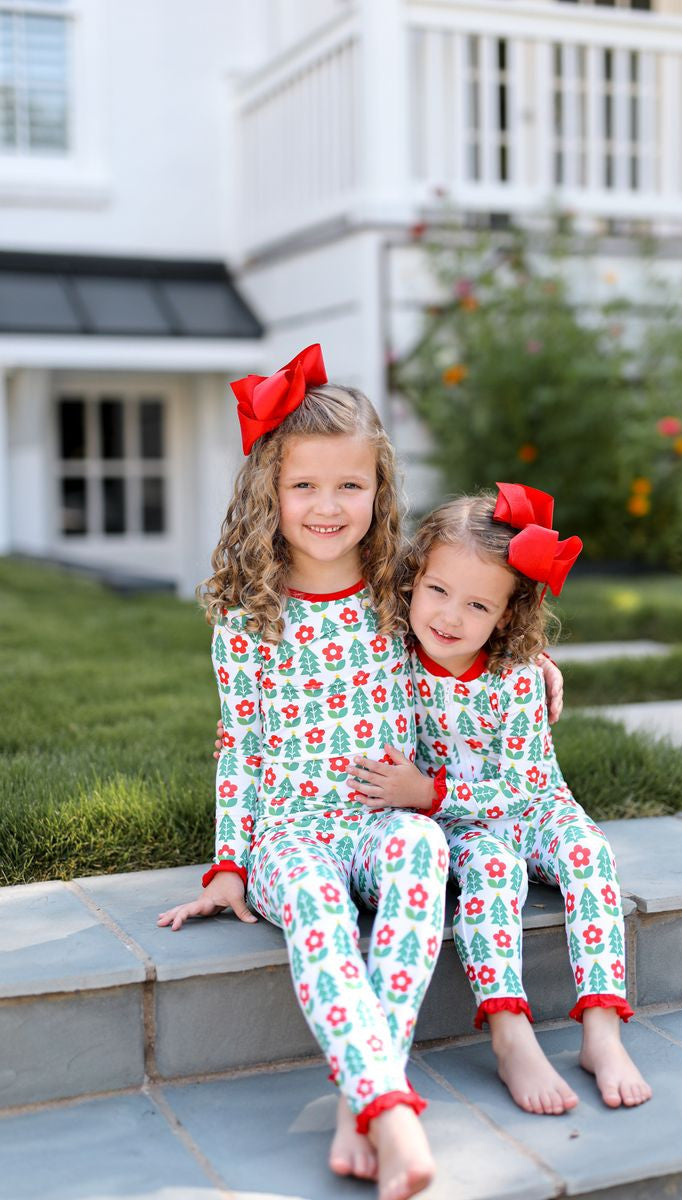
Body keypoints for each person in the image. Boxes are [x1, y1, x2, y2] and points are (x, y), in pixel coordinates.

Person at [157, 345, 452, 1200]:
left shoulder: (401, 590)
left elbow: (478, 625)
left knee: (421, 853)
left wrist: (537, 661)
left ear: (379, 490)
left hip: (381, 818)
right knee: (319, 906)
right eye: (304, 486)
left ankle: (366, 1098)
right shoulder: (248, 617)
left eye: (349, 486)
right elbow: (240, 747)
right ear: (268, 493)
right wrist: (228, 865)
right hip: (290, 835)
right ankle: (390, 1111)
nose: (327, 507)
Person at [349, 484, 653, 1116]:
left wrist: (429, 791)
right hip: (460, 826)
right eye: (436, 591)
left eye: (477, 605)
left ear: (507, 616)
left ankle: (602, 1029)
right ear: (411, 582)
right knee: (494, 870)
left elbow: (518, 787)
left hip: (533, 806)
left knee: (590, 854)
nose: (450, 618)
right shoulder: (394, 658)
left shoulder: (515, 677)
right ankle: (511, 1035)